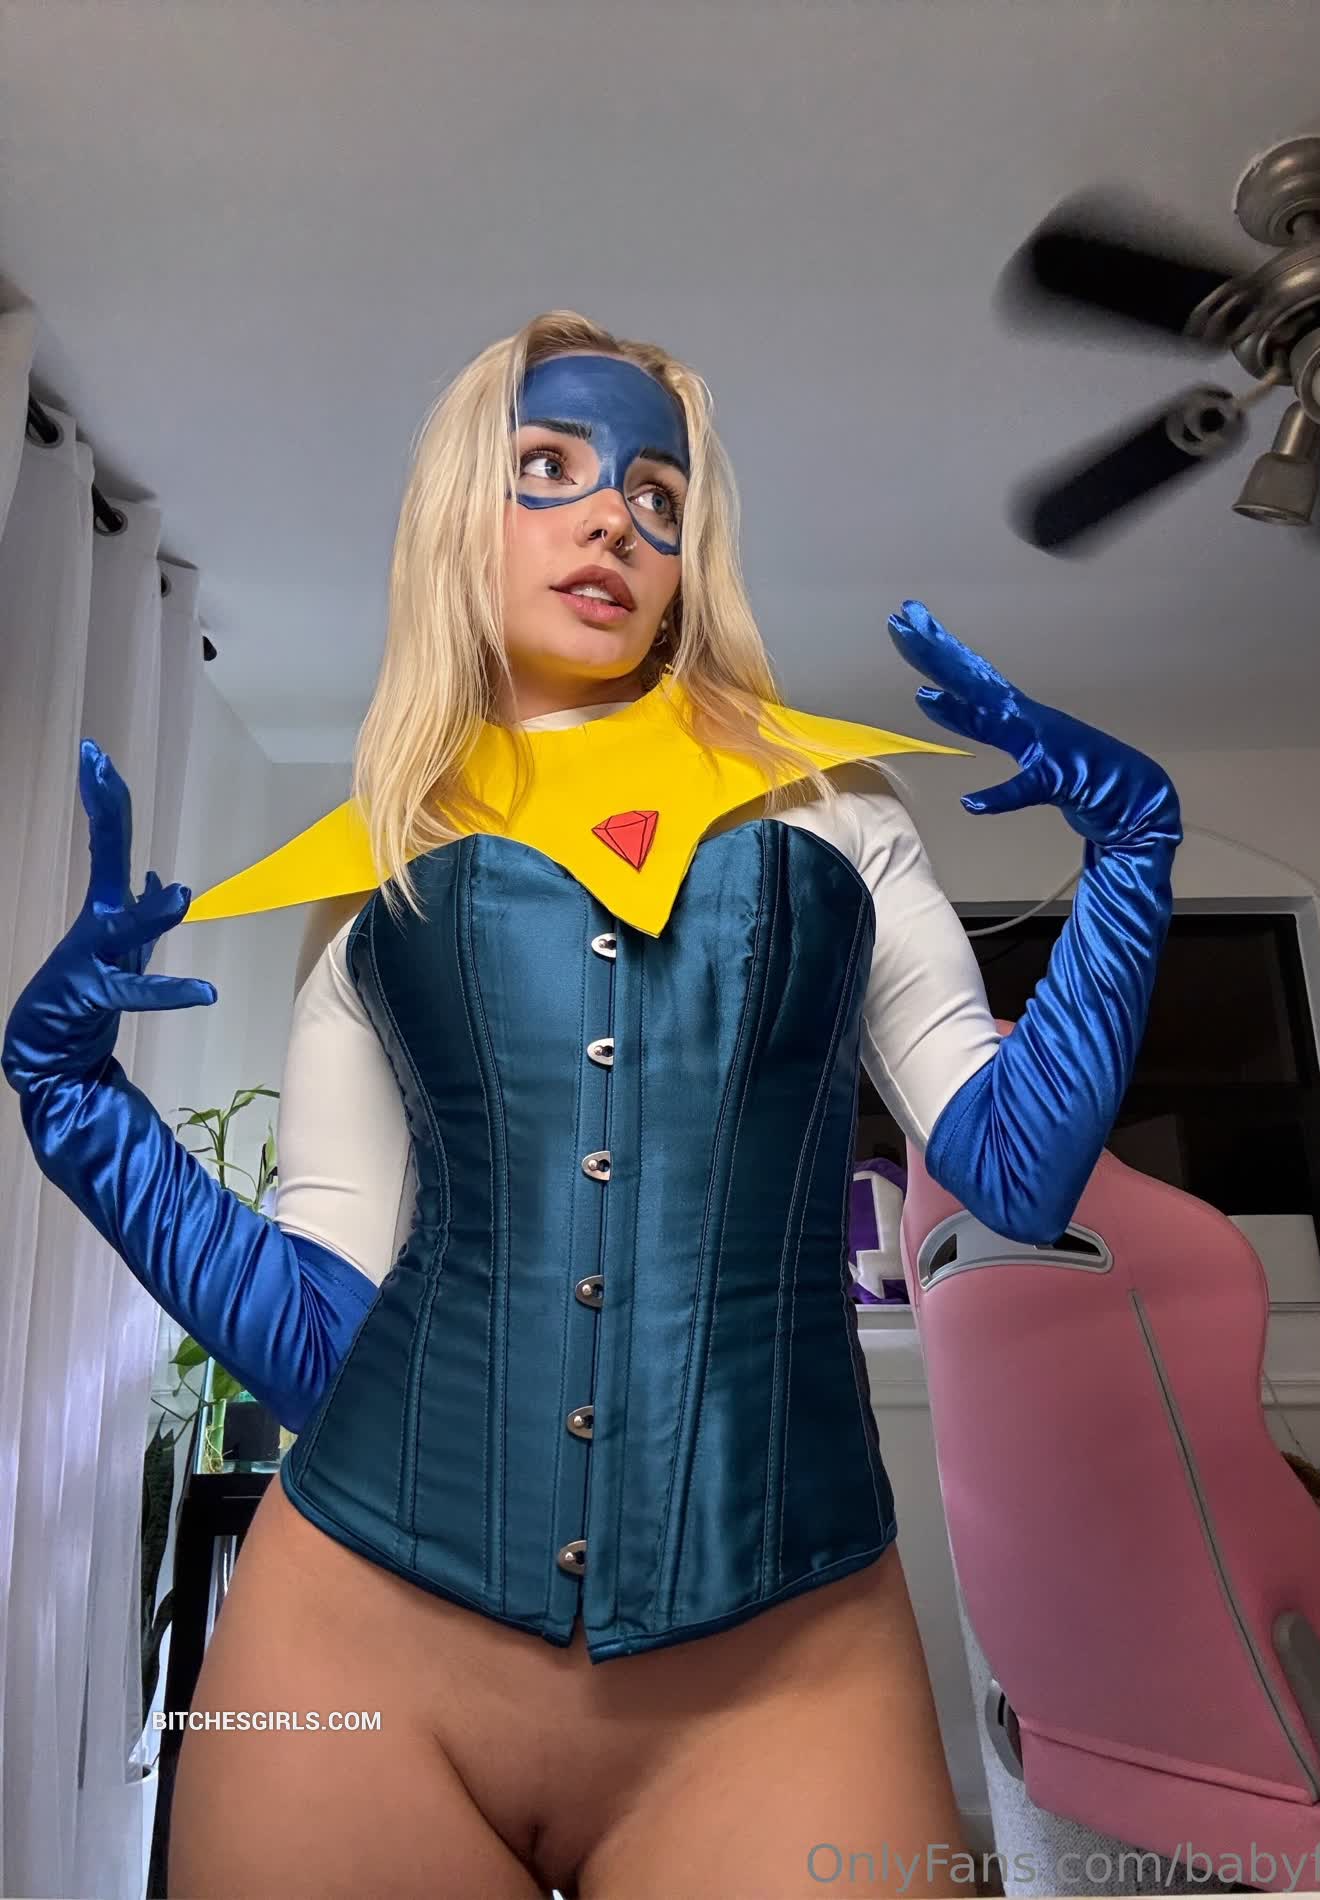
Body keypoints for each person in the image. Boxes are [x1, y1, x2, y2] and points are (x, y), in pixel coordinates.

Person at [3, 310, 1181, 1897]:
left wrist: (1129, 864)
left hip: (783, 1667)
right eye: (547, 467)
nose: (613, 516)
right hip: (352, 1652)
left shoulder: (834, 810)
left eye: (656, 494)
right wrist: (72, 1101)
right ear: (456, 515)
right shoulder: (374, 868)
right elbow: (323, 1335)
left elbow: (1015, 1174)